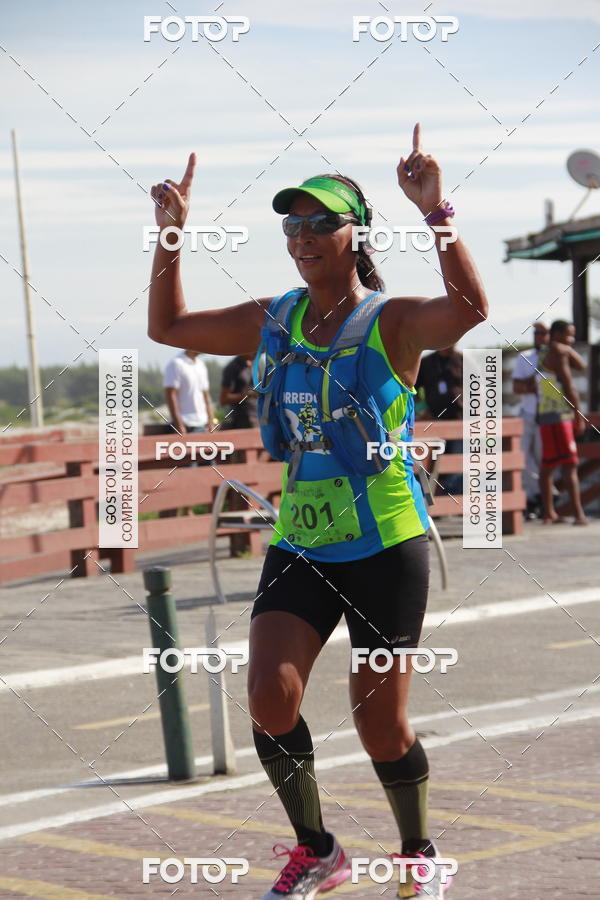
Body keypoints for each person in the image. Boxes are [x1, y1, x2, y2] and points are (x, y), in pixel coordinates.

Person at [147, 123, 488, 899]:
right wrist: (170, 237)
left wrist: (438, 212)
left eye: (318, 222)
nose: (301, 236)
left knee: (379, 726)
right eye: (291, 224)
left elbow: (468, 308)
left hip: (384, 541)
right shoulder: (274, 318)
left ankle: (417, 853)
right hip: (302, 539)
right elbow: (166, 328)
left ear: (352, 232)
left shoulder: (392, 322)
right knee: (270, 697)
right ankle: (318, 850)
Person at [536, 320, 587, 525]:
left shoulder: (546, 352)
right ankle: (578, 514)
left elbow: (580, 365)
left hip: (546, 415)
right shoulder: (558, 352)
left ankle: (549, 513)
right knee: (570, 464)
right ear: (557, 334)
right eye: (568, 335)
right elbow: (569, 384)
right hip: (559, 415)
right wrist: (578, 414)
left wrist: (566, 347)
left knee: (548, 466)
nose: (572, 340)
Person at [512, 322, 549, 519]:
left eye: (544, 333)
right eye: (537, 333)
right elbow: (517, 387)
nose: (540, 337)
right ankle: (537, 497)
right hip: (528, 411)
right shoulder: (525, 357)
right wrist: (532, 382)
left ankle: (543, 497)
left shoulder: (555, 357)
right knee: (523, 457)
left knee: (544, 457)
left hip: (547, 414)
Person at [415, 346, 463, 496]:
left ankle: (452, 501)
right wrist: (421, 409)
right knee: (433, 464)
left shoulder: (462, 360)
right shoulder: (426, 362)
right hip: (433, 424)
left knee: (455, 465)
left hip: (458, 422)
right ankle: (435, 502)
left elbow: (478, 386)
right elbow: (411, 387)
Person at [163, 349, 214, 434]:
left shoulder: (201, 365)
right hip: (186, 425)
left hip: (203, 425)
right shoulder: (176, 364)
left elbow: (206, 395)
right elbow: (171, 395)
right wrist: (179, 426)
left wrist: (211, 421)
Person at [219, 354, 259, 428]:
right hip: (241, 421)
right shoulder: (232, 368)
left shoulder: (254, 364)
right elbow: (223, 399)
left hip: (257, 417)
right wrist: (248, 395)